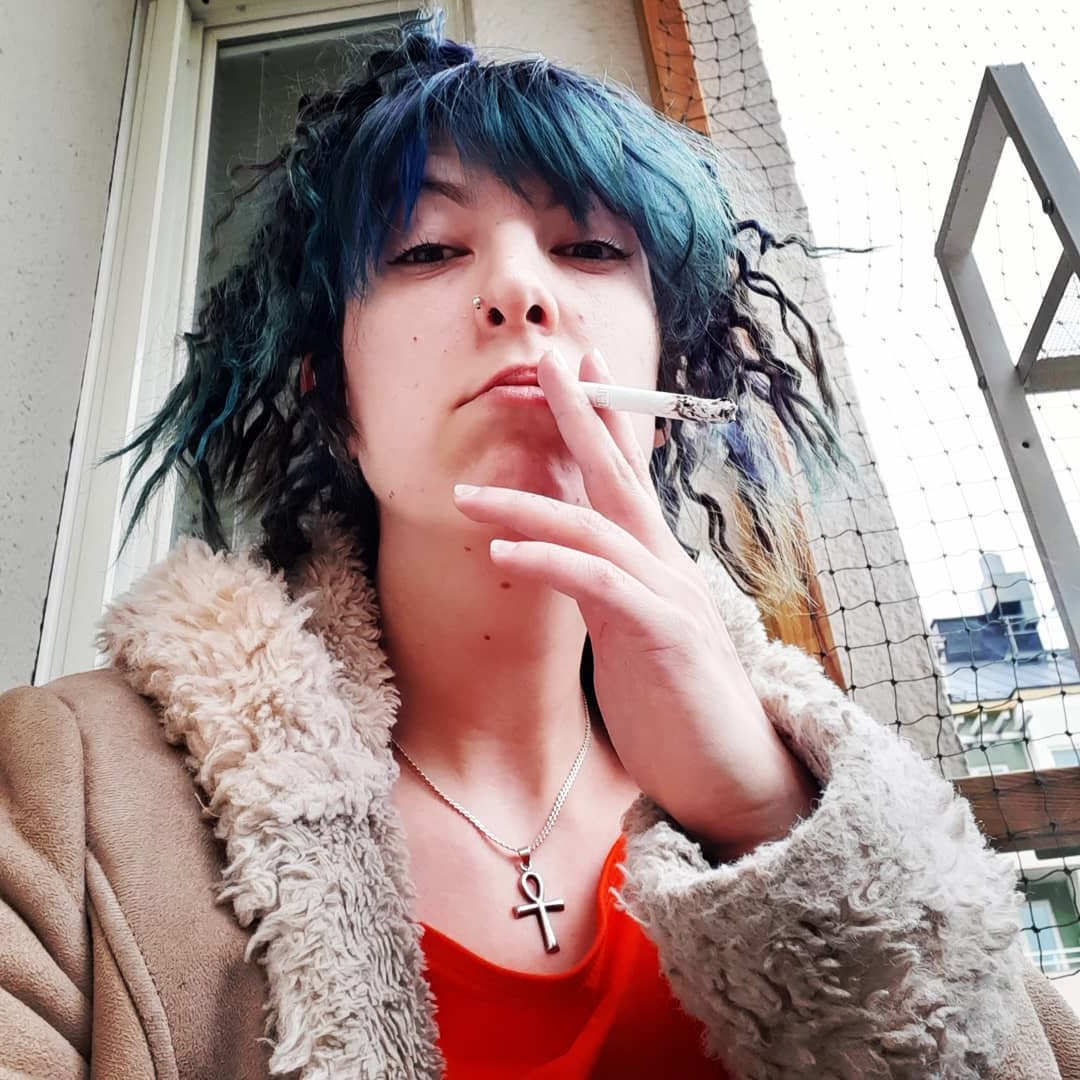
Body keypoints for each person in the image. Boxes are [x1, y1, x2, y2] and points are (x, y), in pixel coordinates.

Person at [2, 19, 1078, 1080]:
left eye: (590, 248)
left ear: (666, 390)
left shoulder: (840, 794)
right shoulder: (72, 791)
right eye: (427, 249)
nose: (521, 291)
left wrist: (763, 810)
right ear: (335, 403)